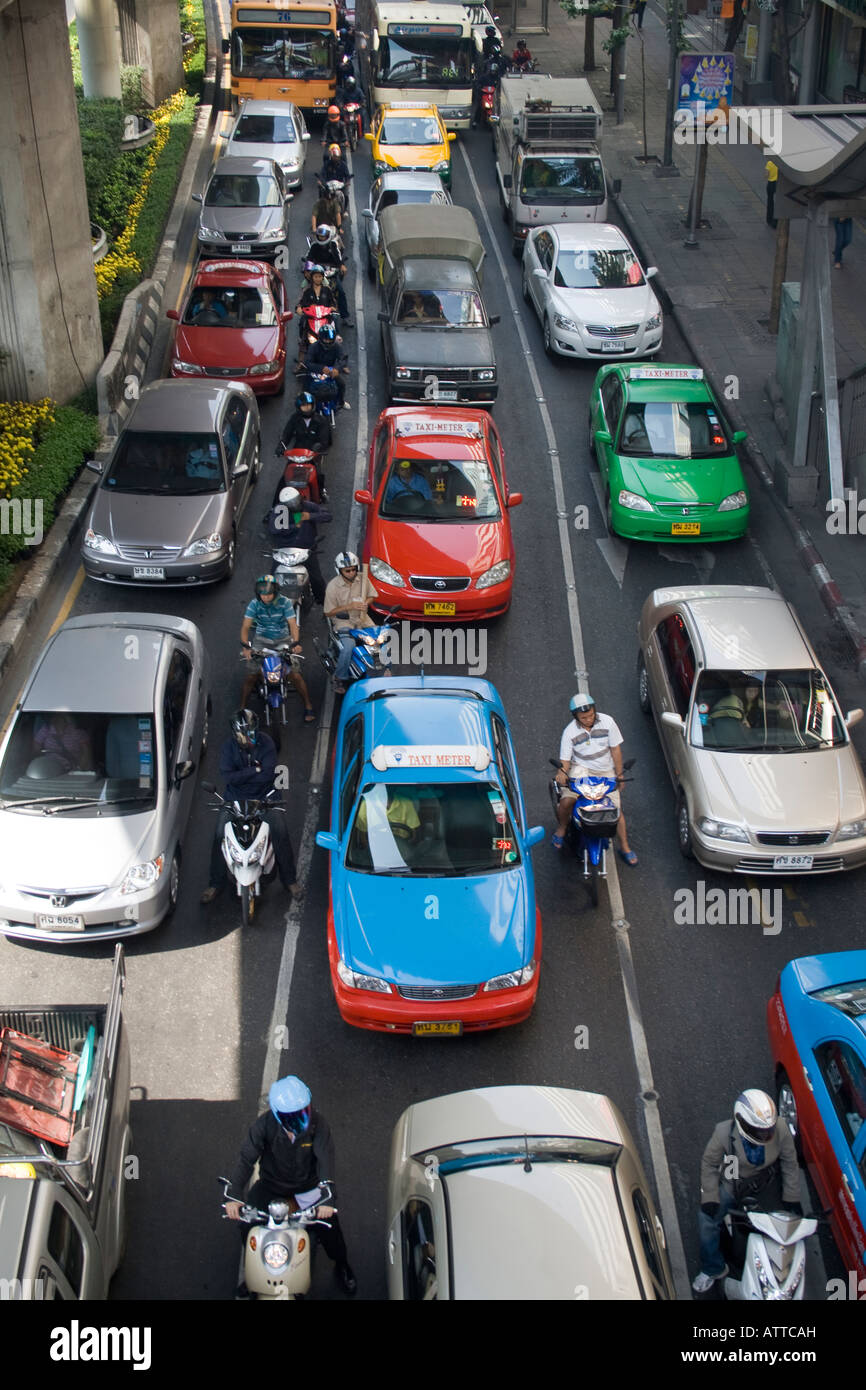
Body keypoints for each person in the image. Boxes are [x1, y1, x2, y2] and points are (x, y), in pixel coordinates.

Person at [225, 1075, 356, 1298]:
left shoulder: (319, 1125)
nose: (300, 1119)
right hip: (271, 1187)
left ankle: (342, 1265)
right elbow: (246, 1160)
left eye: (304, 1111)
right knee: (247, 1227)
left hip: (308, 1190)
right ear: (278, 1114)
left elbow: (325, 1162)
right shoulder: (263, 1126)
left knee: (331, 1230)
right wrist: (234, 1195)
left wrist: (327, 1198)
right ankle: (254, 1272)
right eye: (293, 1115)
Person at [692, 1089, 801, 1294]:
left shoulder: (782, 1129)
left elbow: (789, 1163)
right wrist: (710, 1197)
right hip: (733, 1183)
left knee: (782, 1228)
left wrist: (792, 1197)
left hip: (764, 1186)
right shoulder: (723, 1132)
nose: (766, 1136)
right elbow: (709, 1163)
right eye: (759, 1131)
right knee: (706, 1219)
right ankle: (712, 1268)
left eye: (768, 1130)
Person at [200, 710, 301, 903]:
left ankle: (290, 881)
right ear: (236, 735)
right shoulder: (227, 748)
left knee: (280, 831)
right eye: (246, 734)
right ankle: (215, 883)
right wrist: (255, 770)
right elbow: (228, 777)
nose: (251, 738)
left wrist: (244, 775)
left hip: (266, 797)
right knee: (220, 835)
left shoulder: (268, 743)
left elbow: (267, 774)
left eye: (253, 733)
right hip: (235, 799)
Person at [552, 691, 637, 863]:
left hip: (605, 771)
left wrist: (619, 774)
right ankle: (562, 827)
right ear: (576, 717)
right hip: (581, 770)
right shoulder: (569, 732)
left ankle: (625, 846)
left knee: (616, 811)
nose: (589, 719)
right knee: (567, 801)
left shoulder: (608, 722)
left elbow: (615, 750)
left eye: (591, 715)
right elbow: (565, 761)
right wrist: (562, 773)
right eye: (584, 718)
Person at [239, 575, 315, 723]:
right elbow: (246, 627)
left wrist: (295, 643)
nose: (266, 597)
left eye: (269, 594)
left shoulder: (285, 603)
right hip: (261, 641)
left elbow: (293, 625)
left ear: (275, 592)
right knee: (251, 676)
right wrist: (246, 646)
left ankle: (308, 704)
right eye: (263, 594)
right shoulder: (254, 604)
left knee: (295, 675)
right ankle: (242, 707)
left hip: (283, 640)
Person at [323, 552, 383, 694]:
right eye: (347, 570)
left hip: (362, 617)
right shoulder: (332, 587)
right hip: (343, 620)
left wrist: (364, 603)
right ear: (339, 570)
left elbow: (372, 596)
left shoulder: (362, 579)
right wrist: (349, 606)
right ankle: (339, 677)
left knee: (380, 639)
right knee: (348, 647)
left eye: (354, 569)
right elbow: (328, 612)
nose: (351, 573)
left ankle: (383, 670)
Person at [265, 486, 332, 603]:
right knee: (272, 578)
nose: (294, 505)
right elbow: (274, 529)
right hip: (285, 552)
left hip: (306, 551)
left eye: (295, 501)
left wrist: (310, 516)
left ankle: (323, 603)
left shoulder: (308, 506)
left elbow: (327, 516)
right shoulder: (280, 511)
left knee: (316, 579)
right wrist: (293, 527)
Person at [276, 391, 331, 499]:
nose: (307, 408)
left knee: (318, 474)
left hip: (313, 453)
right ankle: (276, 504)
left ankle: (321, 492)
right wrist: (281, 446)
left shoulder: (321, 420)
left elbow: (325, 439)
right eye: (304, 406)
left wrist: (319, 447)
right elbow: (287, 434)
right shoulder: (294, 419)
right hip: (297, 453)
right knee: (285, 477)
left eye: (308, 406)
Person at [295, 267, 336, 369]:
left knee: (334, 335)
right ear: (312, 277)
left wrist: (332, 308)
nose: (318, 279)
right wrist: (299, 308)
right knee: (304, 336)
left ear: (323, 278)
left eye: (320, 277)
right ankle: (300, 362)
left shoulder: (327, 290)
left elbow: (333, 304)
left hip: (325, 319)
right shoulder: (307, 290)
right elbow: (300, 303)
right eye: (316, 276)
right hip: (311, 319)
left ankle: (340, 361)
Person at [311, 224, 352, 323]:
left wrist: (341, 265)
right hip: (318, 273)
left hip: (332, 273)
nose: (321, 238)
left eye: (323, 236)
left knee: (341, 292)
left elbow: (338, 258)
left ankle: (345, 316)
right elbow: (309, 258)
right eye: (320, 236)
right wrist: (308, 269)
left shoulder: (333, 245)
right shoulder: (314, 246)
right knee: (307, 291)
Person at [307, 321, 349, 410]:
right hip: (315, 371)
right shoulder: (313, 347)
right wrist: (321, 368)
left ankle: (340, 402)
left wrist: (337, 369)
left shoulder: (337, 346)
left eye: (330, 340)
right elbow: (308, 363)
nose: (328, 342)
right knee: (306, 388)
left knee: (341, 384)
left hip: (330, 371)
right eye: (326, 339)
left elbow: (343, 358)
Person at [765, 158, 778, 229]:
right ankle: (775, 221)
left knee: (770, 201)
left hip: (770, 184)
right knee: (777, 203)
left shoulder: (769, 163)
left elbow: (766, 175)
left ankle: (769, 219)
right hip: (778, 184)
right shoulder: (779, 164)